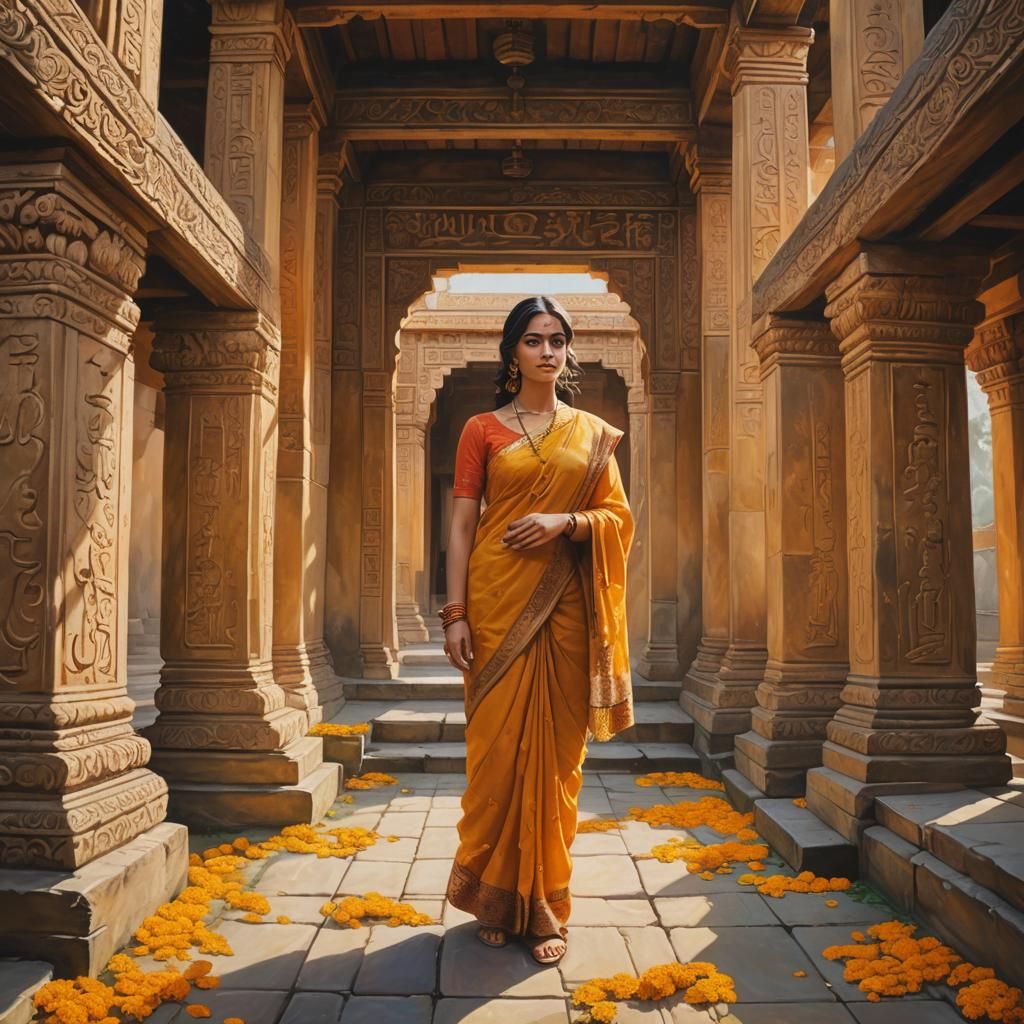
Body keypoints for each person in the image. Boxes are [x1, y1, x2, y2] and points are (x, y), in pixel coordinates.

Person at [441, 295, 635, 966]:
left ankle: (546, 905)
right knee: (494, 757)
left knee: (556, 767)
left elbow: (617, 517)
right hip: (495, 605)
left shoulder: (592, 433)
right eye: (533, 339)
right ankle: (492, 897)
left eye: (557, 339)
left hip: (566, 609)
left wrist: (566, 523)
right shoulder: (481, 430)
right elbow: (463, 525)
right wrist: (456, 613)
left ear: (567, 350)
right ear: (512, 352)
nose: (547, 350)